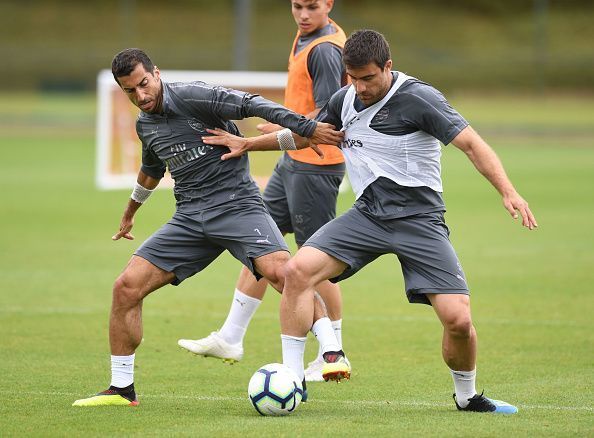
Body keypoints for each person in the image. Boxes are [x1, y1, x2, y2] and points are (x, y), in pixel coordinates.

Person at [201, 29, 538, 413]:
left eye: (368, 78)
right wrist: (248, 143)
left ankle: (467, 396)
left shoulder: (420, 98)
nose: (359, 87)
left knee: (458, 320)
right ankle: (293, 378)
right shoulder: (344, 99)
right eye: (353, 77)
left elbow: (472, 144)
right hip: (368, 216)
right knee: (297, 272)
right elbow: (306, 136)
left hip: (420, 220)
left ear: (388, 67)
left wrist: (508, 191)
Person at [72, 48, 344, 407]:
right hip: (190, 218)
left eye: (143, 84)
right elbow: (152, 168)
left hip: (237, 206)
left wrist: (306, 127)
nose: (141, 96)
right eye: (130, 92)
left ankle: (332, 351)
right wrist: (130, 210)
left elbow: (253, 103)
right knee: (126, 287)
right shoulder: (145, 124)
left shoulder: (193, 95)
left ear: (156, 72)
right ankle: (122, 389)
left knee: (288, 274)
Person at [178, 0, 350, 382]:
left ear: (329, 4)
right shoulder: (308, 36)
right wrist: (286, 134)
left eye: (312, 6)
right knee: (260, 244)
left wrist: (279, 134)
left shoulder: (324, 50)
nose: (303, 14)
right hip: (293, 162)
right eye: (296, 6)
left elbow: (327, 119)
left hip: (315, 167)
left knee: (316, 264)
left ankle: (332, 353)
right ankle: (230, 336)